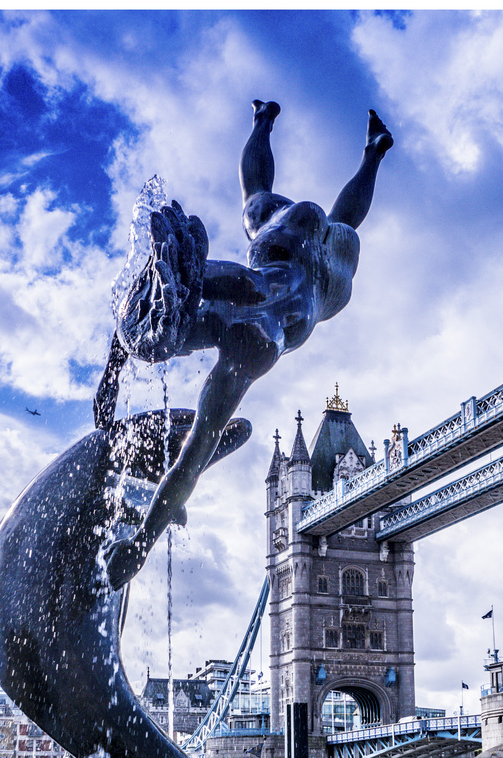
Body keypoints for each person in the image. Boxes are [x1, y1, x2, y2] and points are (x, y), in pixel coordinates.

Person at [105, 100, 393, 590]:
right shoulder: (228, 303)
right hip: (307, 267)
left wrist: (140, 547)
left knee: (276, 205)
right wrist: (112, 376)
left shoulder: (244, 358)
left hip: (310, 271)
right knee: (270, 204)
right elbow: (166, 290)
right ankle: (356, 147)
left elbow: (190, 465)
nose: (179, 353)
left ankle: (329, 140)